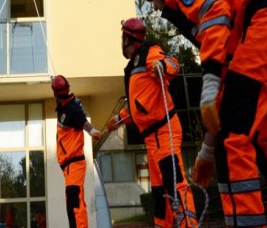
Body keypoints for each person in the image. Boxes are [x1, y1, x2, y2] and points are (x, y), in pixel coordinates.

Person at [138, 0, 267, 226]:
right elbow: (229, 78)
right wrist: (207, 149)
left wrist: (208, 83)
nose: (155, 6)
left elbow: (215, 14)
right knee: (265, 142)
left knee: (232, 139)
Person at [107, 18, 197, 227]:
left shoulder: (149, 52)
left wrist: (162, 65)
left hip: (164, 131)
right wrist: (118, 119)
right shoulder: (131, 69)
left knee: (175, 184)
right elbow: (138, 106)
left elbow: (174, 63)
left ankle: (189, 225)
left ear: (128, 39)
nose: (121, 41)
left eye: (122, 37)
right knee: (159, 193)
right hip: (152, 140)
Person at [52, 75, 101, 228]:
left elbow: (83, 122)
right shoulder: (63, 105)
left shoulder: (72, 107)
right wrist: (53, 80)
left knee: (74, 201)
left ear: (56, 92)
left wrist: (92, 130)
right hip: (68, 166)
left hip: (74, 163)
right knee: (72, 202)